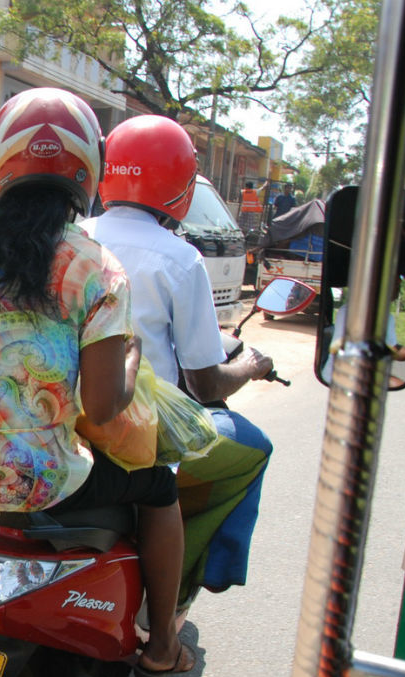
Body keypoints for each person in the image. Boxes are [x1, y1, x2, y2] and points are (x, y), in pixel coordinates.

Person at [0, 88, 194, 677]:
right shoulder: (94, 267)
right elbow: (103, 404)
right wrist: (130, 355)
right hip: (44, 488)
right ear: (86, 171)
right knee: (162, 489)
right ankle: (165, 642)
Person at [81, 115, 275, 609]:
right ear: (181, 186)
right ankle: (194, 587)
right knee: (253, 446)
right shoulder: (179, 257)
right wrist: (251, 366)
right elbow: (205, 384)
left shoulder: (73, 236)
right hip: (136, 427)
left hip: (64, 413)